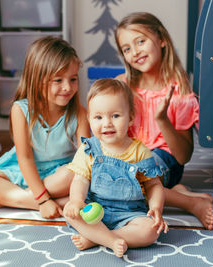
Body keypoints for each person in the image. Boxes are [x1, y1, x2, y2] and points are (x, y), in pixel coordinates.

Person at [114, 12, 213, 229]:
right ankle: (177, 193)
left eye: (141, 41)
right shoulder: (122, 86)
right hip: (128, 158)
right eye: (127, 48)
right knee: (105, 180)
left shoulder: (179, 91)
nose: (135, 52)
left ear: (161, 40)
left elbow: (183, 156)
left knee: (128, 184)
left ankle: (191, 203)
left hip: (163, 159)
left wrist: (162, 119)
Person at [0, 36, 90, 218]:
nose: (67, 87)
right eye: (58, 80)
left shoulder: (79, 113)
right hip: (23, 170)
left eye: (73, 79)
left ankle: (9, 199)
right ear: (37, 79)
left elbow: (84, 157)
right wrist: (43, 200)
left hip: (57, 176)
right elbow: (25, 158)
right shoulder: (20, 110)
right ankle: (50, 202)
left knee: (73, 174)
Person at [63, 78, 168, 258]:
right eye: (98, 117)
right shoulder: (89, 149)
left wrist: (156, 208)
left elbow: (154, 185)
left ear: (131, 118)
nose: (107, 123)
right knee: (69, 211)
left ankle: (98, 238)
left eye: (115, 116)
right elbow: (80, 180)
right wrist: (77, 201)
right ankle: (109, 239)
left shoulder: (140, 152)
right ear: (89, 119)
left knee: (151, 230)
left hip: (129, 215)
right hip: (94, 212)